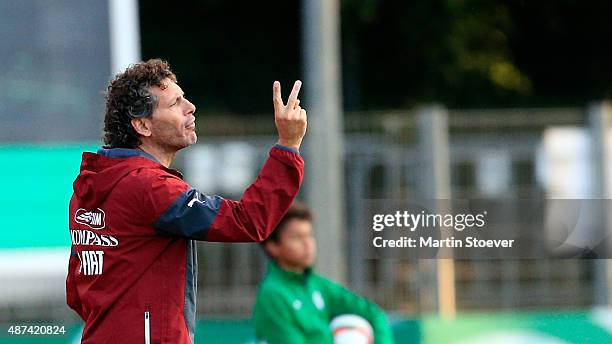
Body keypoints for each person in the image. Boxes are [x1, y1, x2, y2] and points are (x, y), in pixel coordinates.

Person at [66, 59, 307, 344]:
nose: (190, 107)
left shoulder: (93, 184)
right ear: (143, 125)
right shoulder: (149, 187)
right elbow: (248, 221)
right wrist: (288, 147)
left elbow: (78, 289)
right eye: (174, 103)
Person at [253, 202, 395, 344]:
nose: (308, 244)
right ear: (273, 247)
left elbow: (374, 314)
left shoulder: (317, 285)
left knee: (355, 324)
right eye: (297, 237)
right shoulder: (272, 294)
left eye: (309, 235)